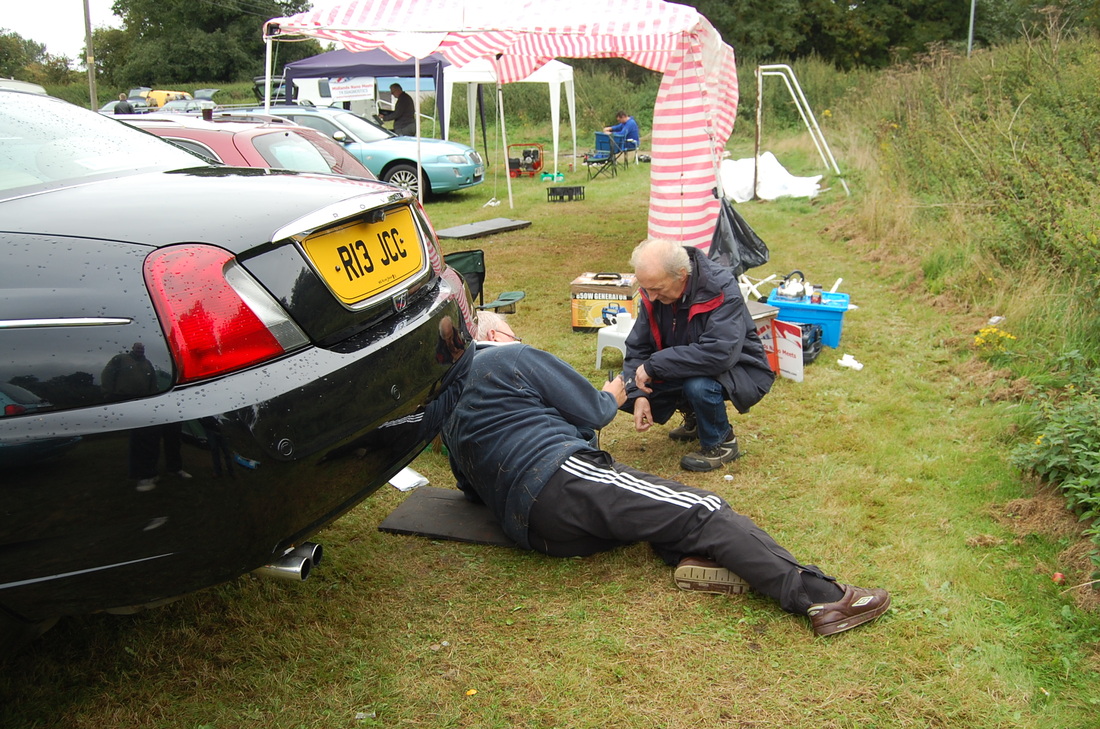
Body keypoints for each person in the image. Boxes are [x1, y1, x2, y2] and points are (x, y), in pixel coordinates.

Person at [441, 311, 890, 637]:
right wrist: (613, 391)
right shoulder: (509, 355)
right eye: (513, 332)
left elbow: (468, 489)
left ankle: (693, 557)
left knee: (652, 515)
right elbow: (593, 412)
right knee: (703, 508)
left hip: (537, 534)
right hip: (562, 480)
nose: (517, 337)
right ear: (495, 334)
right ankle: (823, 598)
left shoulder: (447, 403)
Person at [621, 238, 775, 472]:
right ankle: (697, 419)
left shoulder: (720, 287)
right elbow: (638, 347)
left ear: (681, 274)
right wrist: (637, 394)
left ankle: (721, 443)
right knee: (623, 386)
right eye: (646, 289)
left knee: (699, 385)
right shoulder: (655, 291)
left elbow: (719, 354)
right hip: (689, 362)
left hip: (739, 367)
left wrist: (654, 365)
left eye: (657, 289)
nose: (650, 297)